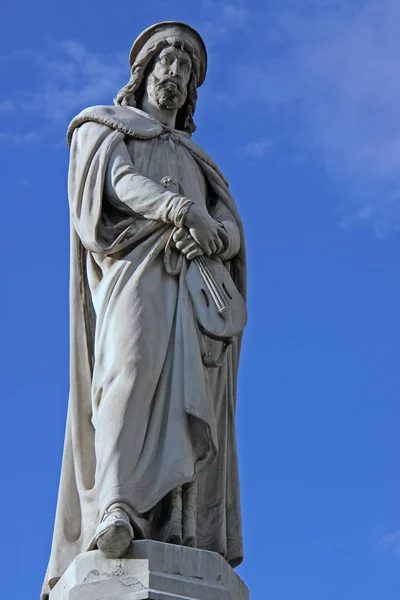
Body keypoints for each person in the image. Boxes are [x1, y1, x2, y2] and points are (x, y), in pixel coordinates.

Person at [41, 21, 247, 600]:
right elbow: (118, 183)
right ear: (145, 71)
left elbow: (229, 229)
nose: (176, 77)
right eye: (168, 65)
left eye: (186, 71)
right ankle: (116, 506)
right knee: (125, 378)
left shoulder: (197, 159)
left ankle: (174, 523)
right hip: (133, 274)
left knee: (188, 398)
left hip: (190, 292)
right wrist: (179, 210)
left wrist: (217, 237)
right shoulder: (108, 130)